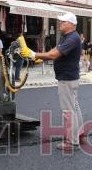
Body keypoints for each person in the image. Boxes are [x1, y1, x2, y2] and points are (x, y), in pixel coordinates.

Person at [21, 12, 83, 151]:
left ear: (71, 24)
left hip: (67, 78)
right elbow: (53, 51)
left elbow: (53, 55)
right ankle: (79, 133)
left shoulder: (72, 38)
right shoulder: (67, 37)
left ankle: (72, 142)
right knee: (74, 107)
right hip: (69, 77)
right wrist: (39, 57)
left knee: (68, 111)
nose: (60, 23)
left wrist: (33, 54)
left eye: (63, 22)